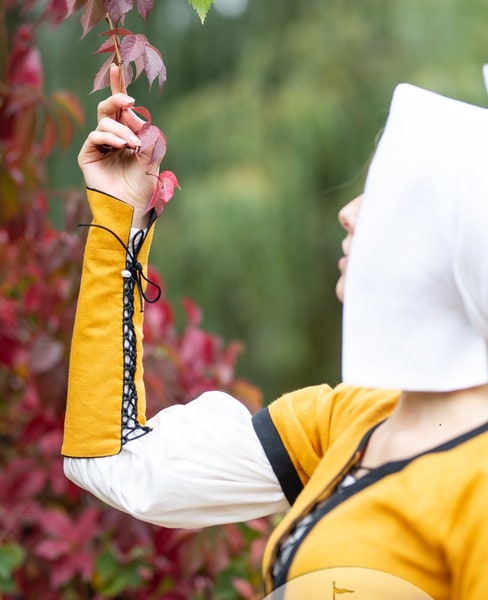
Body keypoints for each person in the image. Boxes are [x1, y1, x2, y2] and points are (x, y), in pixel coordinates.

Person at [61, 63, 488, 598]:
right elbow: (116, 460)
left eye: (387, 195)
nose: (348, 212)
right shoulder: (347, 420)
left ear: (461, 242)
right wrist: (120, 219)